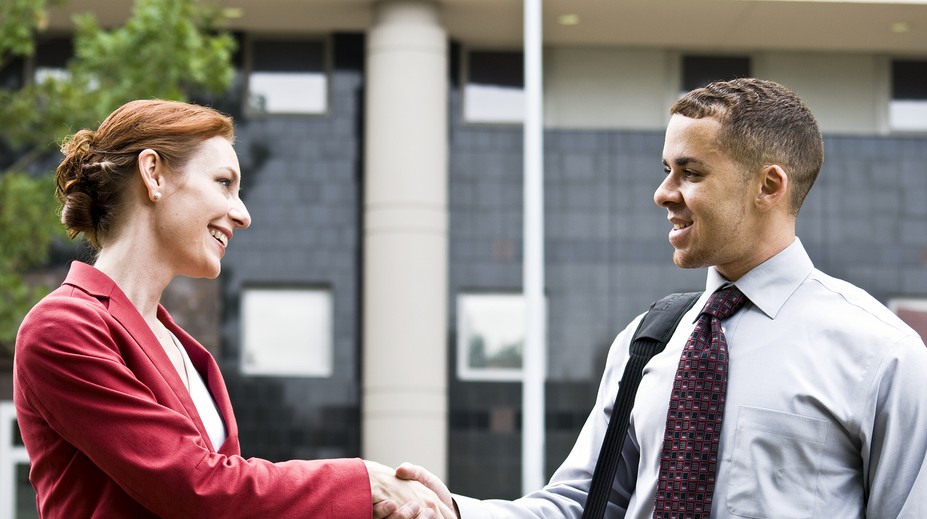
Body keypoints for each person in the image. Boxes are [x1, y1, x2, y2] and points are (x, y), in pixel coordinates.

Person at [396, 78, 927, 518]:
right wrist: (452, 512)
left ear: (769, 186)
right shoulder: (648, 341)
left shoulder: (882, 355)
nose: (663, 193)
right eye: (666, 169)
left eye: (691, 172)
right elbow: (581, 505)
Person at [13, 99, 455, 519]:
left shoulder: (188, 352)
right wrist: (367, 482)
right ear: (154, 175)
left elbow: (239, 503)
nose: (241, 214)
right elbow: (197, 488)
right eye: (224, 183)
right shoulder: (63, 326)